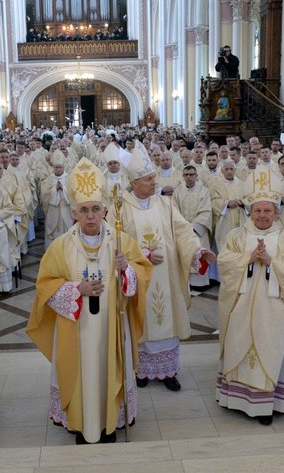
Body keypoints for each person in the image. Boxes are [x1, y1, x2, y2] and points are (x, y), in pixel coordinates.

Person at [27, 158, 152, 444]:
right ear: (74, 213)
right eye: (84, 210)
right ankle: (81, 423)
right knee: (82, 373)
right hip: (76, 329)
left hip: (111, 325)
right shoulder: (61, 246)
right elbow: (45, 286)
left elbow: (142, 274)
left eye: (96, 209)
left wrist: (127, 271)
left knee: (110, 369)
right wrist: (75, 289)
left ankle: (111, 422)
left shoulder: (121, 242)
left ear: (106, 210)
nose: (91, 216)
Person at [115, 141, 216, 391]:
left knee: (166, 319)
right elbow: (115, 243)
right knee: (141, 321)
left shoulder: (165, 204)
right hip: (138, 277)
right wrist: (141, 255)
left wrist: (198, 249)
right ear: (134, 183)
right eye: (149, 179)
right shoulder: (119, 208)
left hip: (166, 275)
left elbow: (182, 231)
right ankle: (141, 369)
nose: (154, 182)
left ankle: (168, 371)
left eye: (154, 178)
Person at [216, 176, 284, 425]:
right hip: (240, 307)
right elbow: (223, 262)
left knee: (270, 351)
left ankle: (269, 404)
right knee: (238, 346)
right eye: (257, 210)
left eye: (268, 210)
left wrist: (270, 261)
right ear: (250, 212)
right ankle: (234, 399)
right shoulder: (237, 235)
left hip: (274, 309)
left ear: (277, 212)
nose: (262, 215)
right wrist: (247, 257)